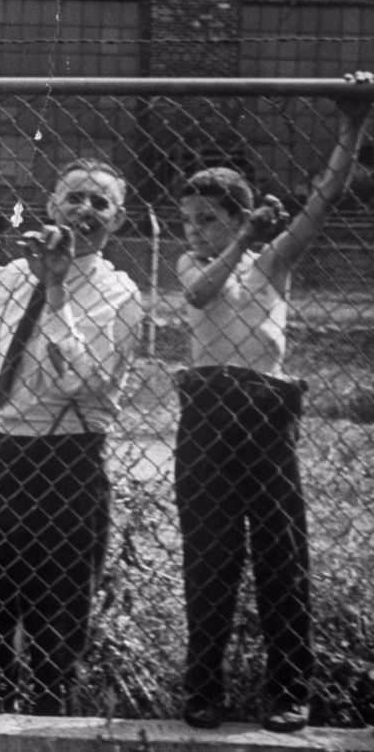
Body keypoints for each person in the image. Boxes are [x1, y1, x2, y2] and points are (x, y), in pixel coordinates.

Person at [173, 74, 372, 733]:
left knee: (281, 554)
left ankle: (290, 689)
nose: (196, 230)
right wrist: (240, 239)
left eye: (210, 218)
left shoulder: (272, 266)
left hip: (264, 411)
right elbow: (204, 293)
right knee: (210, 554)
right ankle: (204, 688)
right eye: (190, 220)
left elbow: (323, 198)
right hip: (205, 411)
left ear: (240, 213)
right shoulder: (192, 265)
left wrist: (351, 127)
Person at [0, 158, 144, 715]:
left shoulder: (119, 294)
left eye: (100, 203)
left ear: (118, 221)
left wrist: (57, 288)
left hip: (69, 462)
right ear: (52, 206)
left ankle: (49, 713)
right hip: (4, 453)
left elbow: (82, 383)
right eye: (75, 198)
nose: (85, 211)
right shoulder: (11, 276)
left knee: (58, 611)